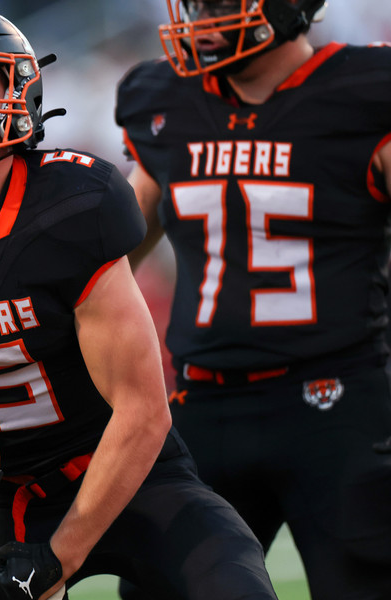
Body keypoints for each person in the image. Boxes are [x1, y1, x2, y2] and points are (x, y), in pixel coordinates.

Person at [0, 4, 279, 599]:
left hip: (128, 471)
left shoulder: (71, 204)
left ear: (20, 93)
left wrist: (58, 556)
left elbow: (143, 412)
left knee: (234, 585)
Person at [115, 1, 391, 598]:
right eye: (196, 4)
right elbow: (113, 258)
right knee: (161, 587)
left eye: (219, 3)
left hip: (337, 403)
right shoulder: (164, 98)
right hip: (201, 406)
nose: (202, 19)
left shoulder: (365, 93)